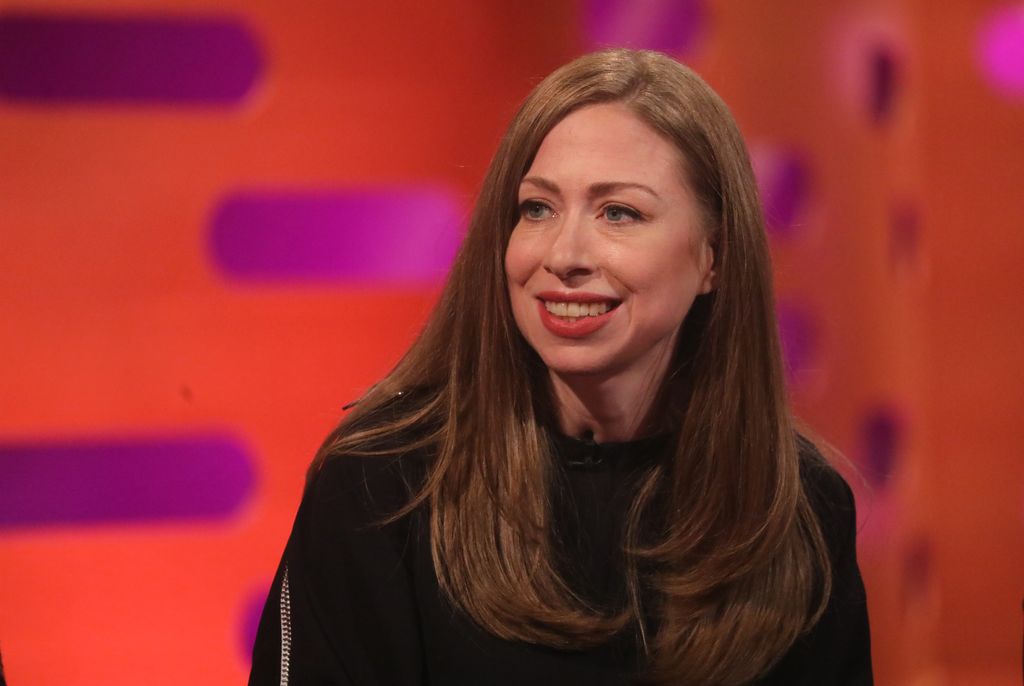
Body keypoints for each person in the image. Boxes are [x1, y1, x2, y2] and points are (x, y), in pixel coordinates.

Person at [249, 48, 871, 685]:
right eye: (537, 209)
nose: (564, 254)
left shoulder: (799, 507)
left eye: (619, 213)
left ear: (714, 256)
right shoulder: (382, 485)